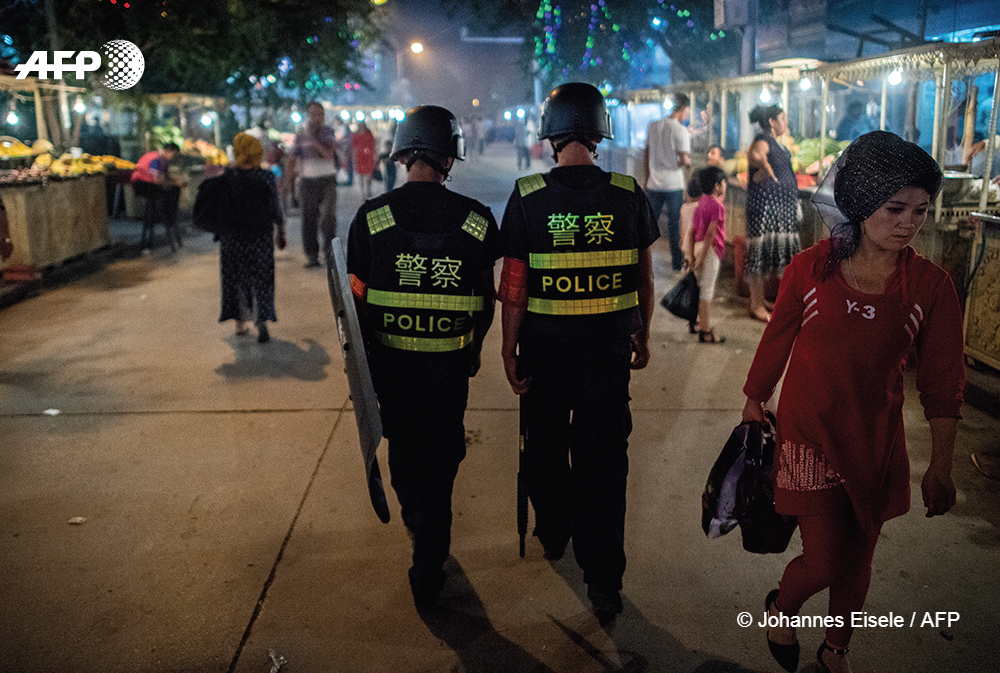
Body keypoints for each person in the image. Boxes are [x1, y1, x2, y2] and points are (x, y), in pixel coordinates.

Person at [742, 131, 963, 673]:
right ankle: (781, 608)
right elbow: (777, 339)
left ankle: (836, 650)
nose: (909, 223)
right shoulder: (810, 269)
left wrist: (941, 463)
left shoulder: (931, 287)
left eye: (920, 210)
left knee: (858, 559)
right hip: (807, 437)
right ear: (862, 205)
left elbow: (943, 383)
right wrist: (754, 399)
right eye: (895, 209)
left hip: (875, 443)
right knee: (824, 560)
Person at [498, 82, 658, 623]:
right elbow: (643, 277)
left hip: (545, 354)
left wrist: (508, 346)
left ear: (551, 137)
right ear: (597, 135)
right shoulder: (627, 192)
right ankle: (604, 581)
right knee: (604, 462)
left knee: (544, 447)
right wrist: (643, 332)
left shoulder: (528, 195)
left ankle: (553, 528)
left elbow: (514, 283)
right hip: (607, 355)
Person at [346, 105, 499, 612]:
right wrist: (474, 350)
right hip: (448, 373)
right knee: (441, 463)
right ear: (449, 158)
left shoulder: (371, 218)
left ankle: (418, 528)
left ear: (402, 154)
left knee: (404, 454)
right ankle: (429, 563)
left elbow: (355, 302)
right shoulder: (477, 220)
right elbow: (485, 301)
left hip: (390, 373)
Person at [209, 133, 286, 342]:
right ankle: (262, 321)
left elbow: (219, 209)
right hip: (260, 238)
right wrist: (281, 229)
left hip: (232, 240)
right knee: (261, 280)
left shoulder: (227, 177)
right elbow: (274, 207)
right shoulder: (266, 177)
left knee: (236, 280)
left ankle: (240, 323)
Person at [745, 103, 801, 322]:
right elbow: (755, 155)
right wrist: (764, 167)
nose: (786, 122)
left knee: (771, 254)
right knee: (759, 254)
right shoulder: (763, 139)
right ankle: (755, 305)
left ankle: (761, 301)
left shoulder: (775, 142)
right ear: (771, 121)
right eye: (783, 118)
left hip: (779, 209)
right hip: (765, 209)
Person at [644, 92, 692, 274]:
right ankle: (677, 264)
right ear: (683, 108)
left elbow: (646, 153)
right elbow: (684, 160)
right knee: (674, 226)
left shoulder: (653, 126)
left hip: (654, 184)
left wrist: (647, 178)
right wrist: (687, 163)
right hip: (674, 185)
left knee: (649, 225)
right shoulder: (680, 130)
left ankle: (640, 261)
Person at [289, 101, 339, 268]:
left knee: (328, 217)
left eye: (320, 114)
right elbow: (294, 158)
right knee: (308, 218)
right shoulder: (300, 136)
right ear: (308, 116)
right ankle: (311, 255)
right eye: (314, 114)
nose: (318, 118)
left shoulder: (328, 132)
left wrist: (312, 138)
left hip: (327, 180)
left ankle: (330, 254)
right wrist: (289, 181)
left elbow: (328, 154)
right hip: (308, 181)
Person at [690, 166, 727, 344]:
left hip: (698, 247)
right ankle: (705, 330)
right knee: (707, 290)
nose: (725, 185)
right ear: (716, 186)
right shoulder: (717, 206)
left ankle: (697, 322)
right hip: (710, 250)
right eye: (723, 182)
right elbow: (711, 233)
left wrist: (692, 256)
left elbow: (693, 230)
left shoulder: (701, 203)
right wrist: (703, 258)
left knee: (700, 287)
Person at [131, 141, 186, 251]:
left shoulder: (164, 160)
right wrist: (173, 184)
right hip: (142, 185)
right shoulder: (155, 159)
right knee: (171, 192)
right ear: (168, 152)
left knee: (174, 189)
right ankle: (168, 217)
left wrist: (176, 183)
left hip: (151, 185)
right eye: (174, 154)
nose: (175, 157)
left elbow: (165, 178)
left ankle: (170, 217)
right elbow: (157, 179)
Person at [352, 120, 377, 198]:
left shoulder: (369, 134)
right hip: (360, 157)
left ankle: (368, 190)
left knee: (369, 174)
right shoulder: (356, 135)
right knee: (361, 175)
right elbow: (354, 146)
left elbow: (373, 144)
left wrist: (375, 155)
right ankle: (363, 191)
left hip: (368, 157)